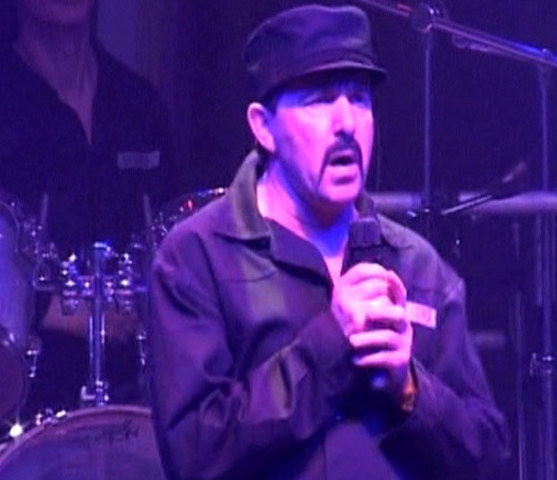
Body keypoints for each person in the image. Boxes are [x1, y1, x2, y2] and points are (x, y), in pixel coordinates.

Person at [148, 4, 510, 479]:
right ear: (264, 127)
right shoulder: (198, 257)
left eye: (359, 98)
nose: (346, 122)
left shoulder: (418, 267)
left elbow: (487, 459)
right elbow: (196, 453)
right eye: (318, 100)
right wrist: (332, 343)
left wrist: (409, 390)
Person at [0, 0, 177, 414]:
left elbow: (175, 242)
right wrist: (51, 308)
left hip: (136, 408)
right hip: (21, 412)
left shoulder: (140, 106)